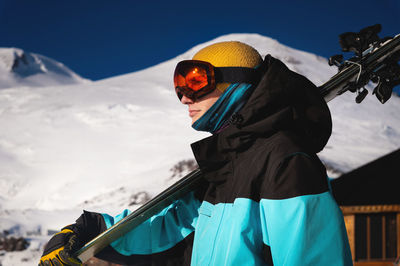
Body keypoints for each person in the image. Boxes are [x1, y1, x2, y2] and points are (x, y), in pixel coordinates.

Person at [39, 41, 353, 266]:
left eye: (196, 80)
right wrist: (87, 230)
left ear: (237, 82)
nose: (185, 97)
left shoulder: (285, 162)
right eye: (180, 87)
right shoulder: (223, 171)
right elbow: (164, 230)